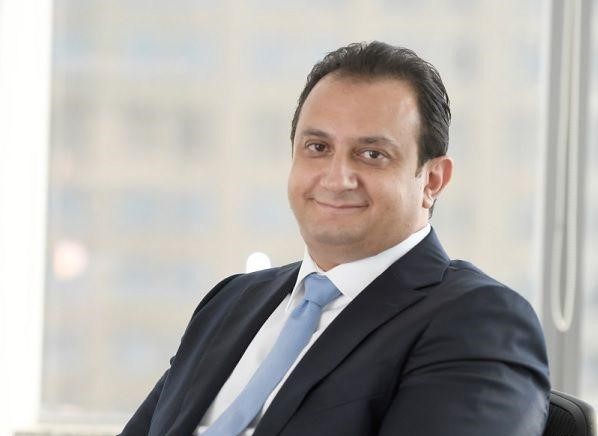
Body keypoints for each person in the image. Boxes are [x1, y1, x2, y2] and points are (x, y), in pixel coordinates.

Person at [120, 41, 550, 436]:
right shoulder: (231, 302)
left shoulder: (479, 322)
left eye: (372, 154)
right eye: (318, 147)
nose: (336, 178)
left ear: (432, 180)